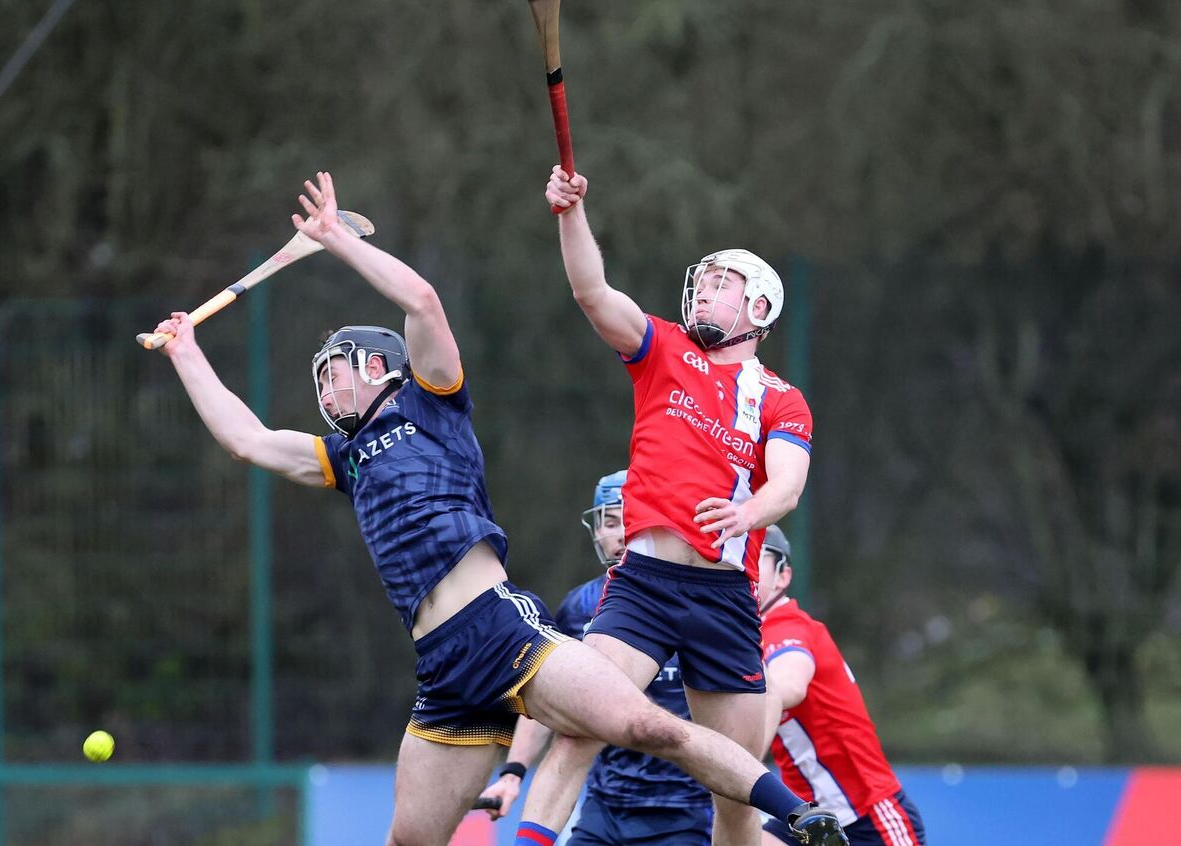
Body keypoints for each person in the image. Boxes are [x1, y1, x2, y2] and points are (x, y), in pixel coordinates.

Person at [150, 171, 838, 846]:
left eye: (339, 368)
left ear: (382, 366)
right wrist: (186, 353)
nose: (327, 387)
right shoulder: (346, 458)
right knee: (412, 839)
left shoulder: (434, 401)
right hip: (441, 664)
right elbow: (248, 440)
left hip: (500, 628)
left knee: (646, 727)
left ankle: (798, 817)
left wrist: (337, 239)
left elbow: (421, 299)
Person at [516, 168, 847, 846]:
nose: (703, 289)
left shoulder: (780, 398)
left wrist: (749, 514)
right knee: (580, 729)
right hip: (642, 584)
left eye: (722, 284)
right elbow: (590, 291)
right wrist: (570, 215)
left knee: (732, 792)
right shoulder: (663, 349)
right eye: (702, 280)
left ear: (758, 310)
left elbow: (786, 486)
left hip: (723, 596)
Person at [479, 471, 715, 845]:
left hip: (684, 814)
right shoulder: (580, 607)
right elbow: (549, 697)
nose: (620, 531)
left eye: (630, 515)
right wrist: (513, 773)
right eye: (608, 520)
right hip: (604, 811)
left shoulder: (697, 602)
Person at [758, 526, 926, 846]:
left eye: (756, 557)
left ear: (783, 576)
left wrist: (742, 767)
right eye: (738, 558)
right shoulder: (740, 635)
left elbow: (788, 685)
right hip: (802, 818)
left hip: (866, 817)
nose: (743, 567)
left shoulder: (785, 627)